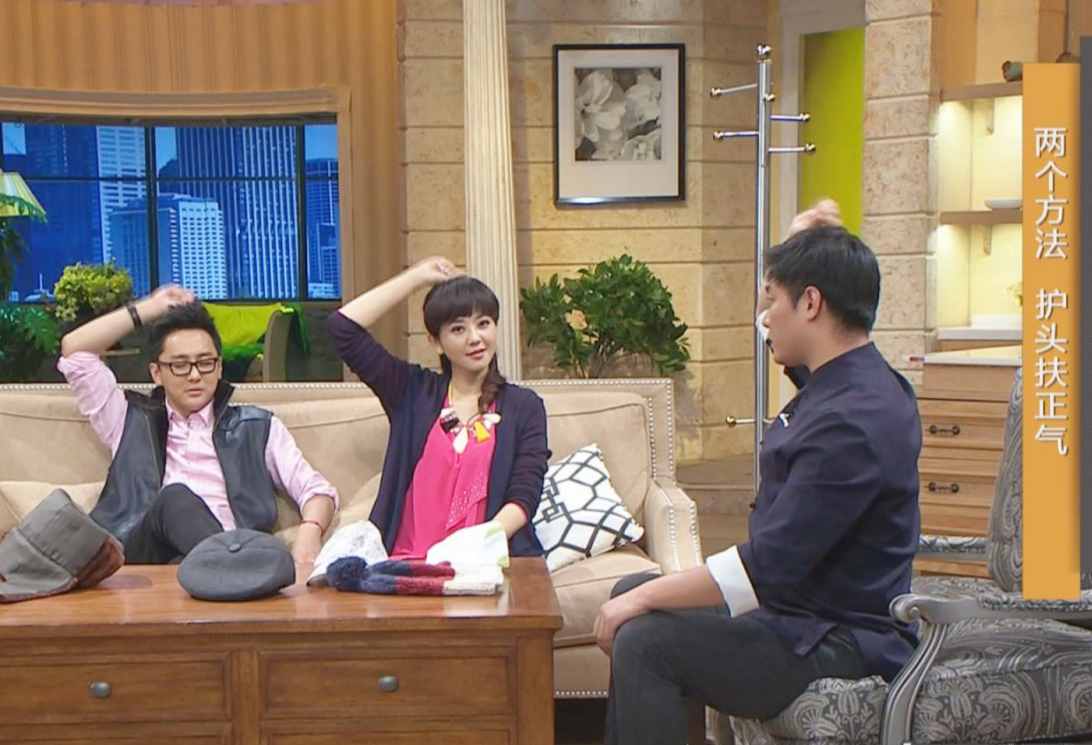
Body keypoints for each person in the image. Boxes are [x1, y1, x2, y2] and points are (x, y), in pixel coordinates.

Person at [594, 202, 922, 745]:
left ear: (811, 303)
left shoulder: (854, 420)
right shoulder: (850, 380)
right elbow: (778, 329)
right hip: (797, 610)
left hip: (836, 637)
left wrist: (644, 601)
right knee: (634, 590)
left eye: (776, 298)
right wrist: (793, 252)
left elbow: (769, 566)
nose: (765, 316)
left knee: (645, 636)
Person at [58, 285, 339, 570]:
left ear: (219, 368)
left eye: (205, 363)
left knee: (188, 562)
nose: (194, 375)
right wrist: (150, 307)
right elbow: (75, 351)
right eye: (180, 365)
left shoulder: (257, 428)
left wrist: (310, 530)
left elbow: (317, 491)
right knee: (175, 499)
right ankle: (239, 572)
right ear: (156, 372)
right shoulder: (127, 418)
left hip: (215, 554)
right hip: (142, 557)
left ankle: (228, 568)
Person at [325, 258, 550, 559]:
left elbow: (525, 492)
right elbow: (342, 328)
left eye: (483, 323)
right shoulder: (411, 391)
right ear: (436, 342)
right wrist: (417, 277)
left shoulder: (524, 407)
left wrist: (481, 541)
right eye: (458, 329)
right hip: (406, 563)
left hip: (487, 564)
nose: (475, 338)